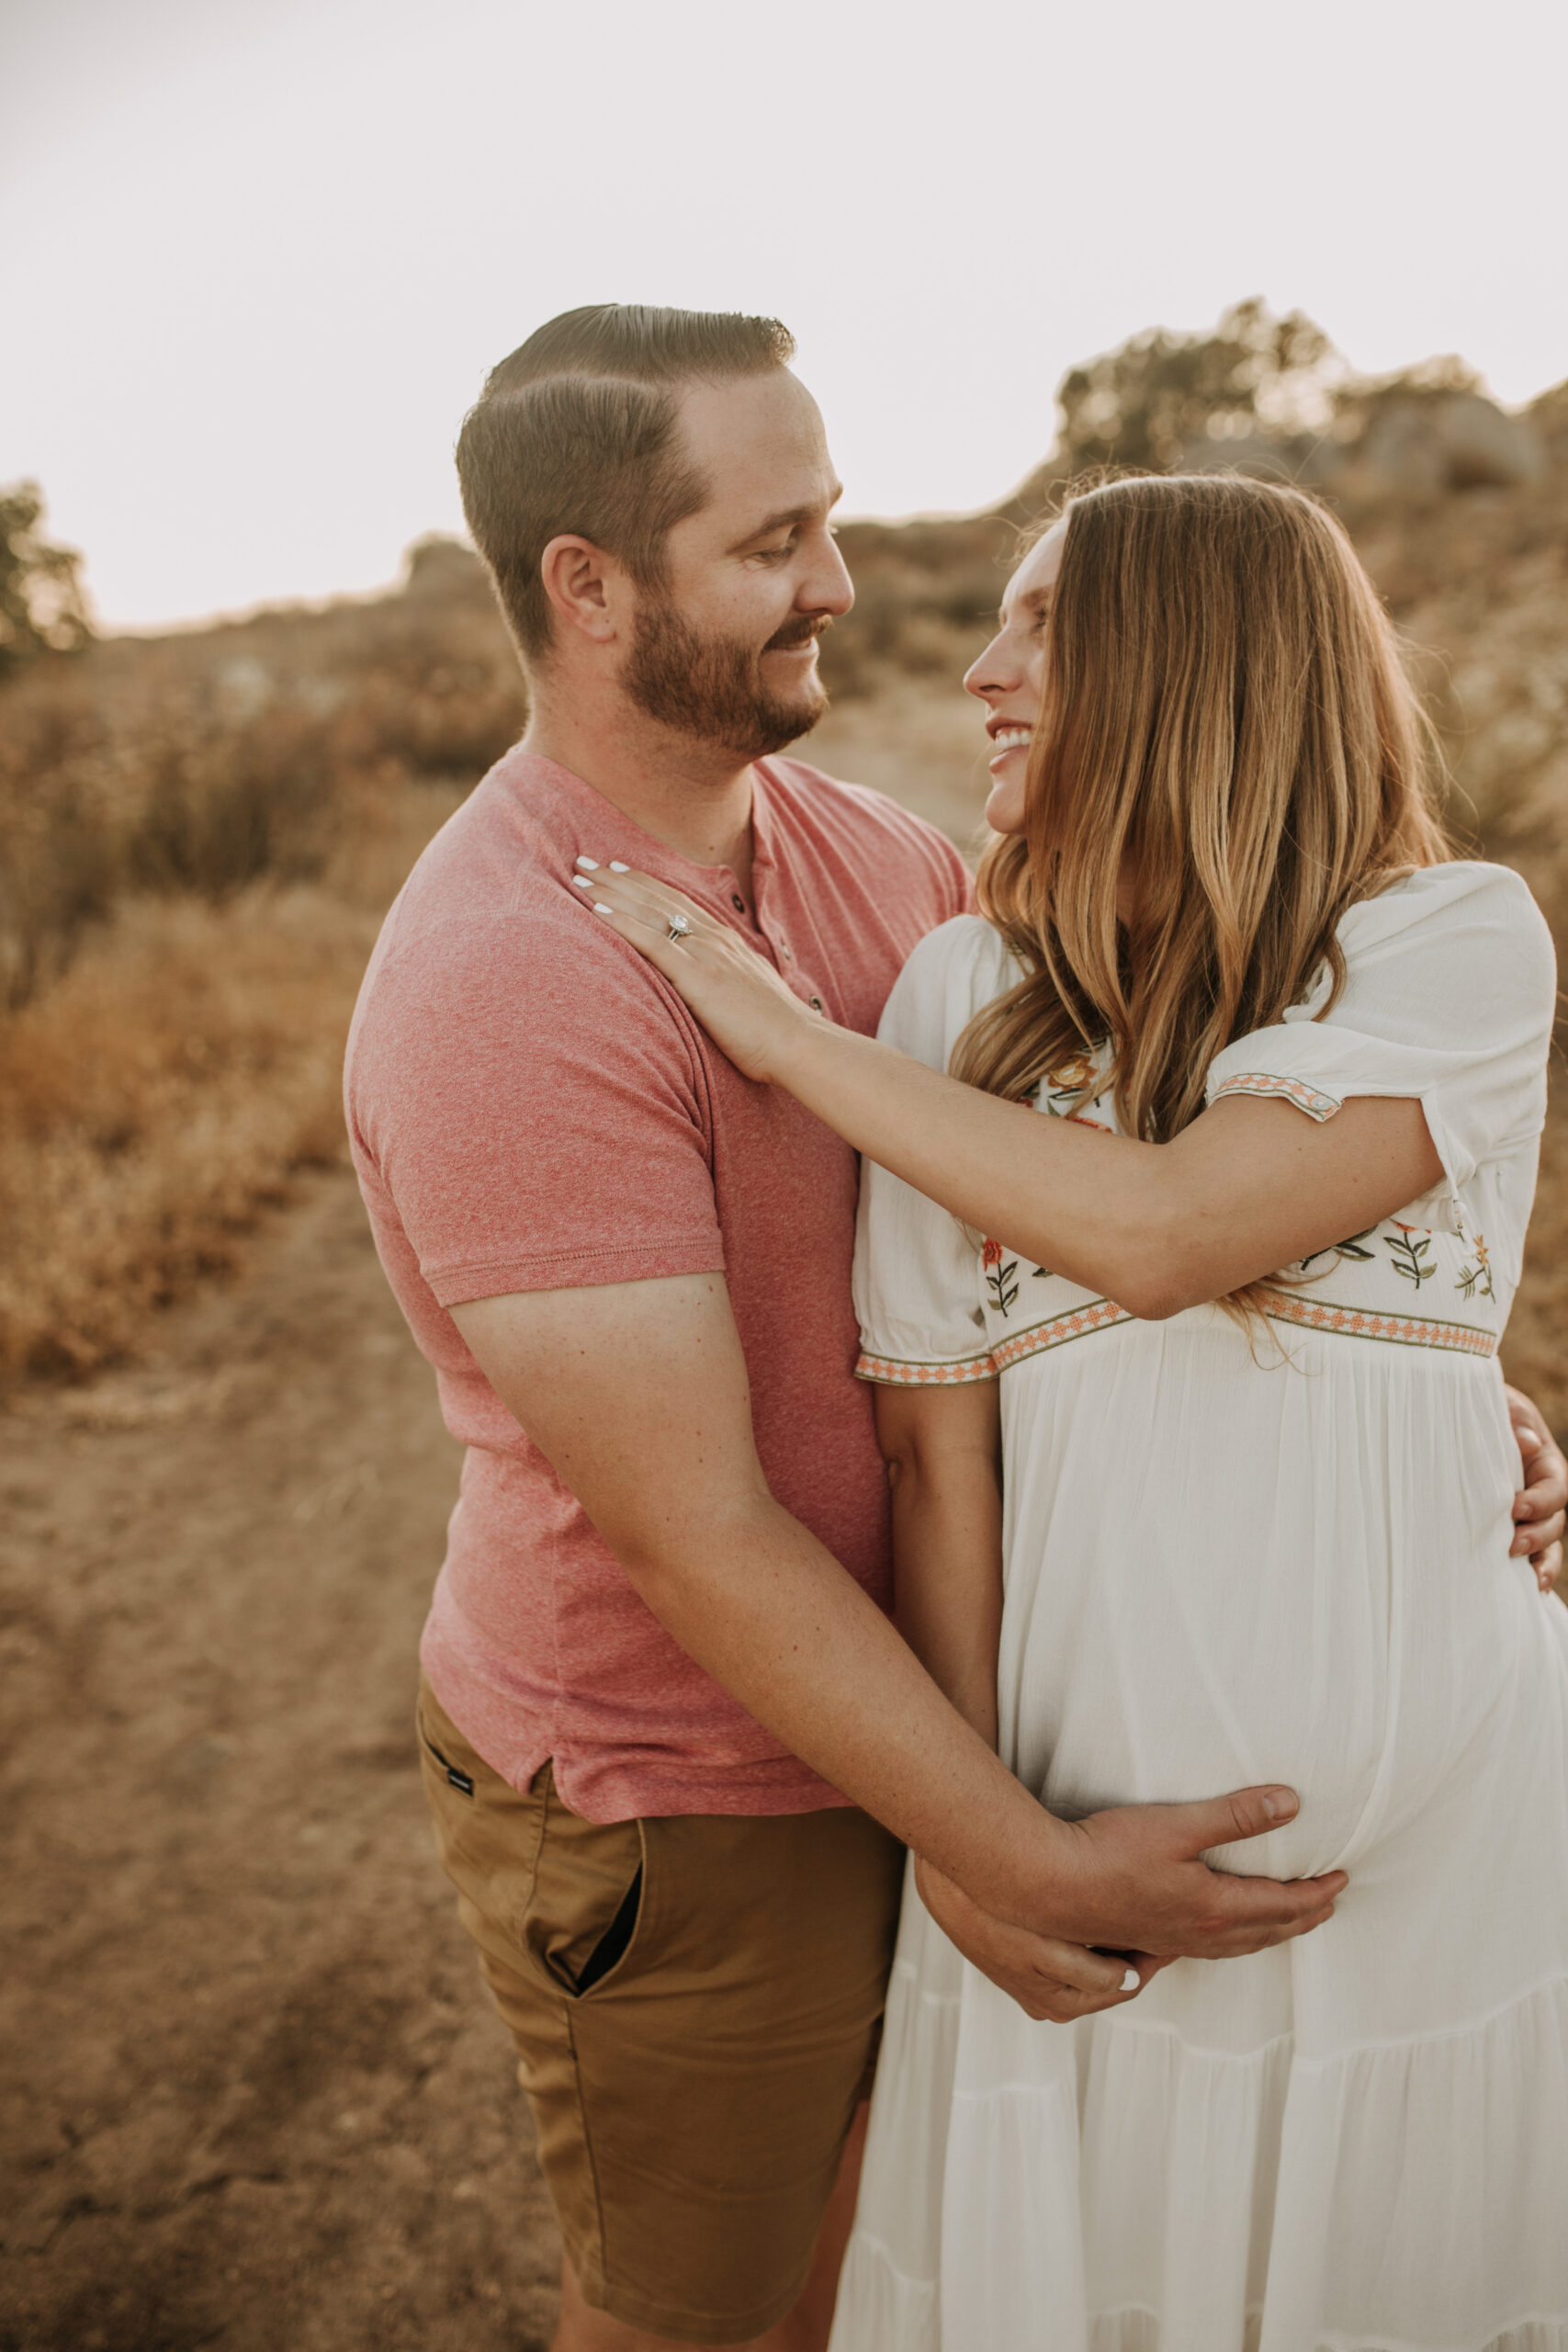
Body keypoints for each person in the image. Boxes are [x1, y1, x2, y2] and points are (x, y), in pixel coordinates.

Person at [346, 312, 1563, 2352]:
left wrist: (1454, 1394)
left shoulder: (887, 877)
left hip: (981, 1743)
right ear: (590, 585)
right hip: (707, 1773)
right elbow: (695, 1529)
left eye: (828, 522)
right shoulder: (505, 978)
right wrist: (997, 1854)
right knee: (703, 2310)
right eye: (776, 538)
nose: (842, 584)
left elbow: (1180, 1206)